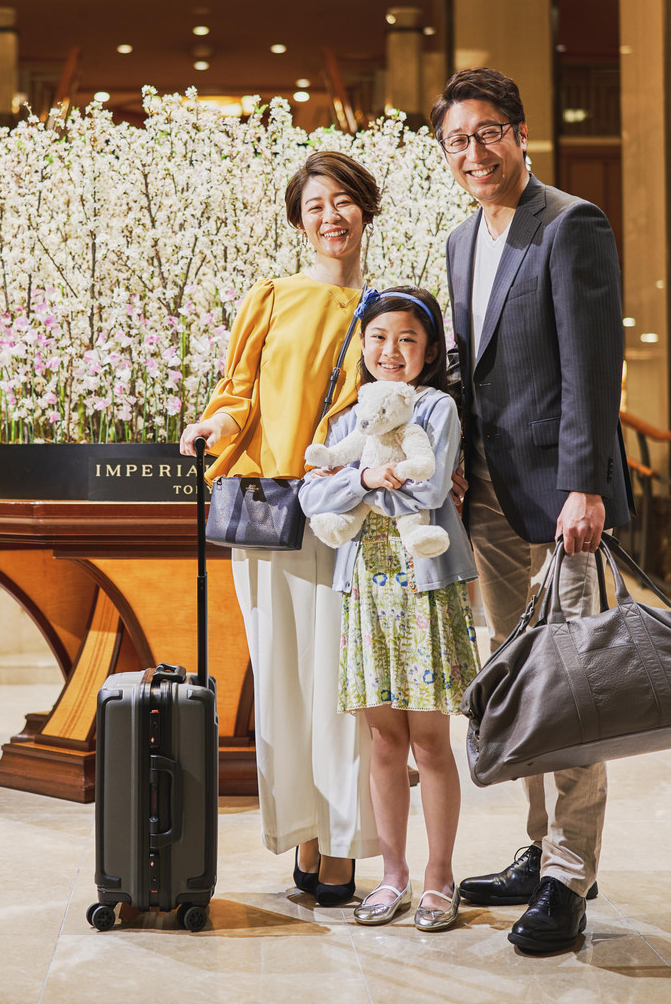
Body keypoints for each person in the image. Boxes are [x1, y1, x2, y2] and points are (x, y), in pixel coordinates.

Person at [436, 67, 629, 954]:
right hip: (487, 496)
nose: (474, 153)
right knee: (518, 679)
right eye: (457, 141)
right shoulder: (460, 239)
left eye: (488, 133)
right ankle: (538, 845)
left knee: (574, 684)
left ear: (520, 134)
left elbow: (591, 363)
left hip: (562, 499)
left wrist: (586, 484)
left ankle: (568, 877)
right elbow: (471, 369)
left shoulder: (570, 223)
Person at [178, 150, 382, 905]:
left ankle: (342, 845)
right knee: (283, 683)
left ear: (366, 210)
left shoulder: (388, 309)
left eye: (343, 201)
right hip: (268, 510)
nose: (331, 216)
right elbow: (239, 394)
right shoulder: (271, 297)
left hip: (348, 518)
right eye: (315, 205)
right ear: (299, 222)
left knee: (342, 687)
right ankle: (303, 831)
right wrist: (213, 425)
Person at [297, 287, 479, 932]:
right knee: (383, 741)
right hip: (366, 589)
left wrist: (352, 491)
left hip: (423, 587)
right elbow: (311, 498)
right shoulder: (350, 416)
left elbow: (429, 490)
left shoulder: (437, 407)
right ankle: (393, 875)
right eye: (378, 337)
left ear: (429, 351)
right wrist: (365, 480)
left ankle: (439, 878)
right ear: (363, 345)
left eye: (407, 338)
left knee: (429, 741)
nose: (391, 350)